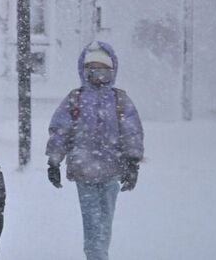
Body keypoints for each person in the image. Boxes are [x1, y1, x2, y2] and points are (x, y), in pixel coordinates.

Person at [46, 41, 145, 260]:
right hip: (84, 171)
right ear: (84, 70)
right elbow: (60, 130)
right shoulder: (76, 98)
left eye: (103, 68)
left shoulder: (120, 100)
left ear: (112, 70)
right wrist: (53, 161)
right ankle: (96, 255)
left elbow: (132, 132)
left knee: (105, 220)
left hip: (112, 170)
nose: (98, 73)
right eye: (92, 68)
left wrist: (132, 163)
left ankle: (99, 254)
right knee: (91, 220)